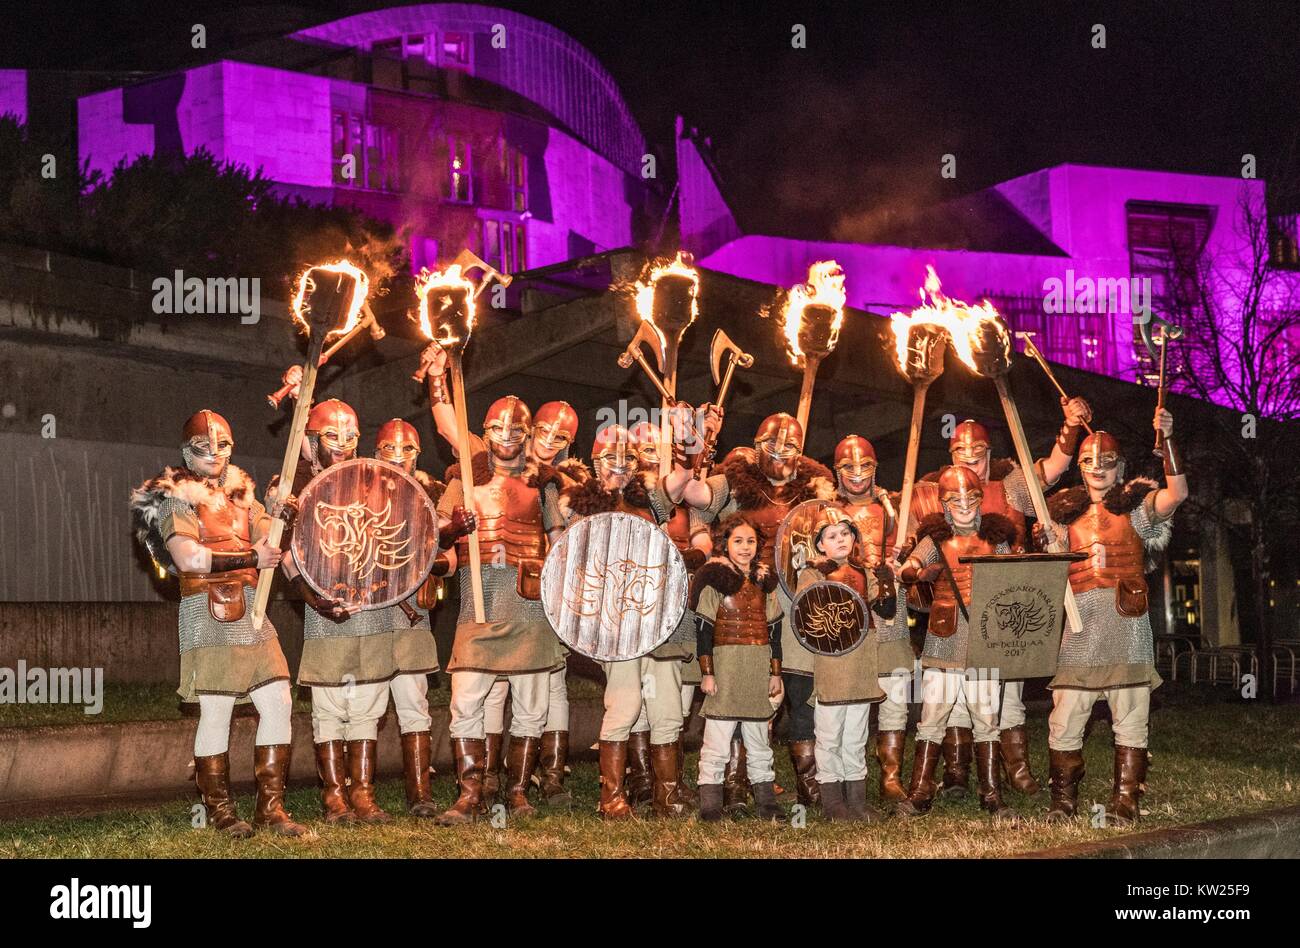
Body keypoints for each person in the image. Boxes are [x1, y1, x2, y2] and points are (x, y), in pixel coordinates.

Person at [130, 409, 307, 838]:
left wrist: (285, 511)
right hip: (206, 609)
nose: (213, 453)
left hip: (253, 609)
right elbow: (187, 558)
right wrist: (250, 558)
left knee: (279, 700)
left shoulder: (243, 496)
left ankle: (271, 808)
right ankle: (221, 812)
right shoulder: (177, 497)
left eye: (222, 445)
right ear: (186, 452)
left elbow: (272, 544)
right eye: (202, 447)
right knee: (217, 709)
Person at [419, 343, 581, 810]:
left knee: (532, 704)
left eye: (516, 429)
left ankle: (517, 791)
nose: (507, 434)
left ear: (528, 435)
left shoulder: (544, 483)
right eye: (497, 426)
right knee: (466, 699)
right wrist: (438, 376)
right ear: (485, 431)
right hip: (479, 603)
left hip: (530, 604)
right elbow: (438, 535)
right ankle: (471, 792)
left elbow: (560, 543)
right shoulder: (465, 477)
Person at [906, 398, 1090, 798]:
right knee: (953, 701)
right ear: (950, 454)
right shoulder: (931, 493)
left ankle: (1016, 771)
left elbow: (1053, 469)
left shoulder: (1010, 487)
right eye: (961, 453)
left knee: (1007, 699)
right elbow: (913, 546)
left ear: (990, 454)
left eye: (978, 453)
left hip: (1007, 606)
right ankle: (956, 774)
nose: (971, 460)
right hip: (955, 611)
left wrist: (1070, 427)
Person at [679, 412, 836, 810]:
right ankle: (732, 783)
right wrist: (695, 447)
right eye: (773, 444)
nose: (781, 453)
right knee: (738, 686)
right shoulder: (738, 482)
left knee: (797, 687)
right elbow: (697, 497)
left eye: (790, 447)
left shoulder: (816, 492)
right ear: (757, 444)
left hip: (798, 597)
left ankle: (808, 782)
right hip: (747, 597)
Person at [1040, 411, 1186, 824]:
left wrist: (1169, 441)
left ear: (1120, 468)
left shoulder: (1137, 507)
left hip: (1127, 626)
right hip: (1080, 633)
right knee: (1065, 719)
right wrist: (1049, 546)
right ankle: (1064, 800)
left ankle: (1125, 800)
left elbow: (1176, 494)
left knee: (1131, 720)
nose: (1098, 470)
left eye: (1107, 464)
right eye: (1088, 463)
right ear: (1081, 468)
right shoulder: (1062, 515)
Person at [559, 424, 691, 818]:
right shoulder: (579, 505)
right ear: (595, 463)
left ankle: (666, 799)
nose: (619, 466)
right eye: (610, 459)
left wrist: (691, 439)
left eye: (627, 459)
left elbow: (683, 482)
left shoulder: (651, 501)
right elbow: (568, 567)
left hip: (655, 617)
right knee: (625, 703)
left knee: (667, 708)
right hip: (614, 623)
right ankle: (611, 798)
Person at [276, 399, 397, 824]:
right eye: (332, 436)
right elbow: (284, 552)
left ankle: (362, 795)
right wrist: (307, 595)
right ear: (312, 440)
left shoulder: (375, 482)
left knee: (367, 705)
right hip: (325, 608)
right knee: (329, 707)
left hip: (371, 603)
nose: (343, 445)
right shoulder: (290, 487)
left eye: (350, 437)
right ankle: (334, 797)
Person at [895, 466, 1019, 819]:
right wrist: (916, 572)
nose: (964, 505)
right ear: (944, 503)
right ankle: (920, 793)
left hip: (985, 639)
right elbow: (908, 567)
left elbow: (1017, 580)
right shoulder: (934, 540)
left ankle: (992, 794)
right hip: (944, 641)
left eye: (971, 498)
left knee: (985, 720)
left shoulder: (996, 539)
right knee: (932, 717)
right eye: (955, 500)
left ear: (980, 500)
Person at [371, 418, 474, 817]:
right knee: (367, 708)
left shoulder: (432, 498)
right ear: (376, 453)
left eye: (407, 450)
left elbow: (447, 563)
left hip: (412, 616)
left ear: (417, 454)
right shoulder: (360, 492)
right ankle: (360, 796)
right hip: (372, 616)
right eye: (389, 451)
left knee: (414, 704)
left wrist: (433, 551)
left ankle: (420, 794)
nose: (398, 458)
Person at [795, 507, 896, 822]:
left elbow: (888, 610)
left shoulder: (866, 573)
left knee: (856, 734)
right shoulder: (813, 573)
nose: (839, 540)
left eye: (845, 534)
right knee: (829, 734)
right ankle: (833, 802)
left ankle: (857, 801)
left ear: (854, 538)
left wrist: (887, 582)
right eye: (831, 536)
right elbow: (805, 617)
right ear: (820, 544)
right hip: (832, 662)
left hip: (862, 660)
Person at [631, 417, 712, 807]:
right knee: (643, 697)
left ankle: (672, 780)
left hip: (682, 605)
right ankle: (644, 780)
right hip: (642, 608)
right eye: (649, 451)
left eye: (660, 452)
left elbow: (704, 543)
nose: (654, 460)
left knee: (678, 699)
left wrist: (687, 554)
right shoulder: (633, 500)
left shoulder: (686, 504)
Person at [830, 435, 911, 804]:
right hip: (846, 608)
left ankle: (891, 778)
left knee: (894, 690)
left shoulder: (894, 506)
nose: (858, 474)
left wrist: (904, 555)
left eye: (865, 467)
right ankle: (848, 775)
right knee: (851, 697)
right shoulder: (824, 509)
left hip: (888, 605)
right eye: (849, 467)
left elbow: (914, 545)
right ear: (837, 471)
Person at [690, 514, 786, 823]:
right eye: (738, 541)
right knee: (717, 742)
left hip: (757, 667)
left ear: (758, 546)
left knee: (759, 741)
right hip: (726, 669)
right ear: (725, 544)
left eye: (750, 541)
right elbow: (704, 629)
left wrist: (775, 673)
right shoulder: (715, 578)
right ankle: (710, 807)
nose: (745, 548)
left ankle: (767, 804)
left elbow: (774, 631)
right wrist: (708, 672)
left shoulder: (764, 582)